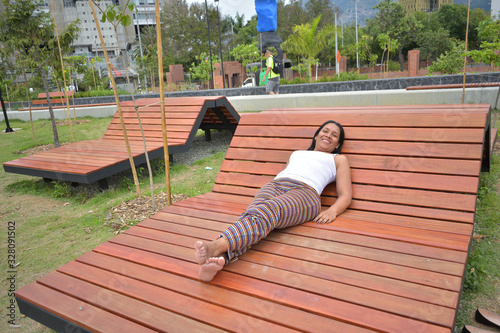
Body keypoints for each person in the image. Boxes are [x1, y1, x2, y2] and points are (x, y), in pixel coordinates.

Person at [194, 120, 352, 282]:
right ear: (316, 135)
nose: (328, 136)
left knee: (267, 210)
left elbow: (345, 195)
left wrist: (332, 211)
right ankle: (221, 258)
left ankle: (215, 246)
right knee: (255, 215)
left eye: (334, 135)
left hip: (306, 193)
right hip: (275, 185)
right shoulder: (297, 153)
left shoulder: (338, 159)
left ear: (338, 143)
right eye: (325, 131)